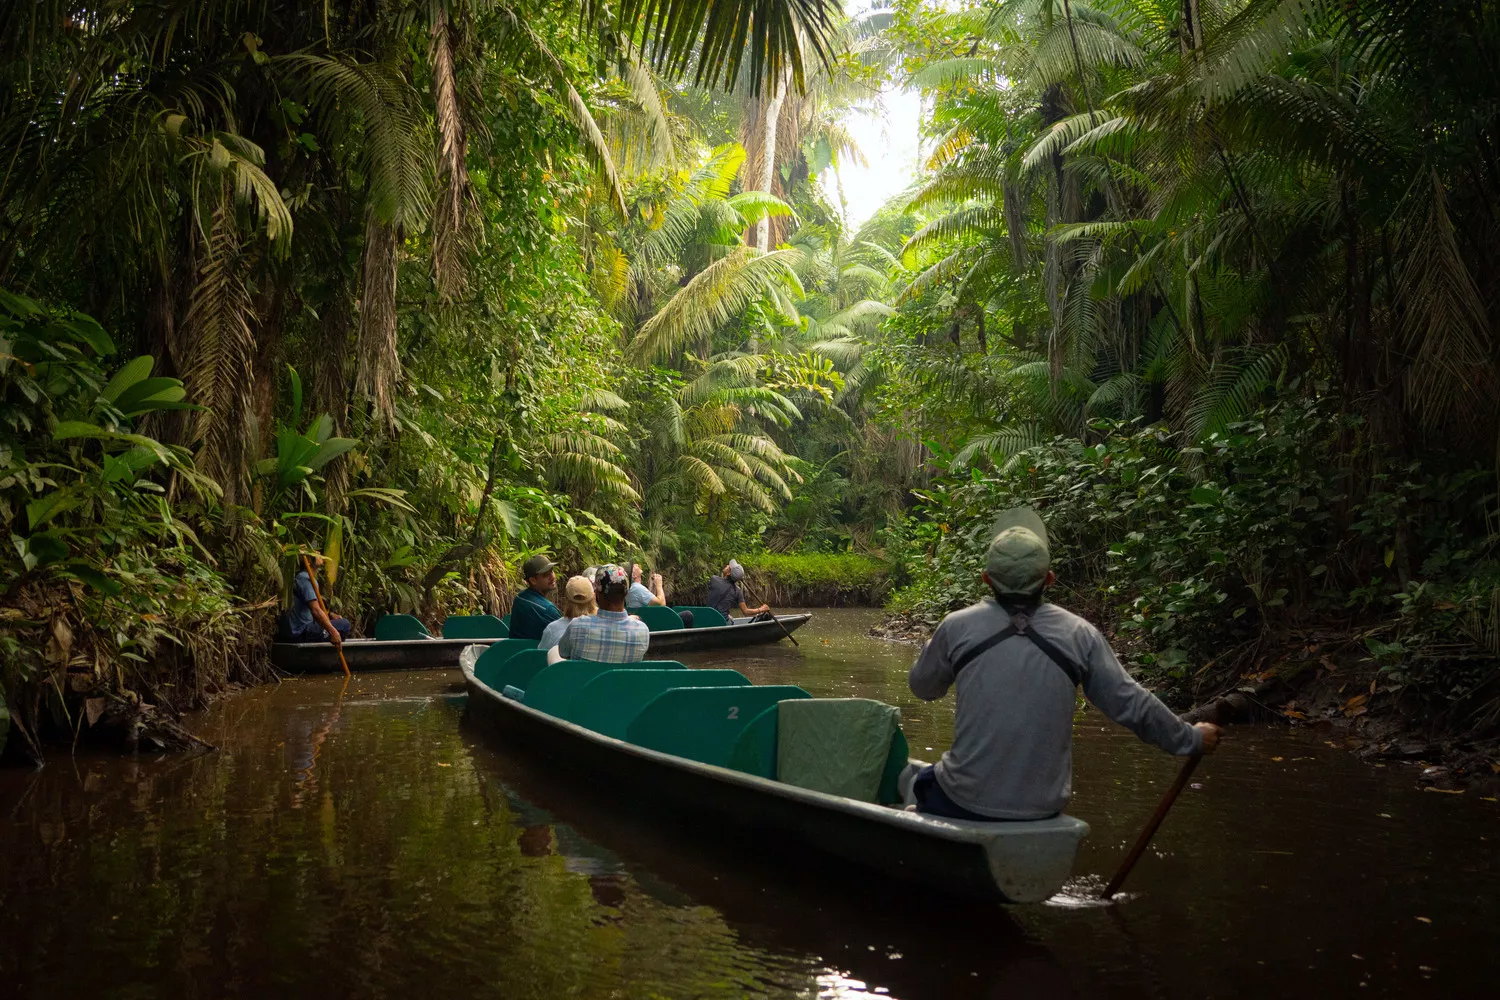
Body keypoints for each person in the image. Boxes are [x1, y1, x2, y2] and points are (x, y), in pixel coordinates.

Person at [908, 507, 1223, 821]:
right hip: (1042, 809)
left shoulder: (956, 626)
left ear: (986, 579)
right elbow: (1131, 702)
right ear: (1049, 579)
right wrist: (1190, 738)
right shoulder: (1080, 634)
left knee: (918, 783)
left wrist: (938, 649)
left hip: (964, 799)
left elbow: (922, 688)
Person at [558, 564, 650, 663]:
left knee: (553, 652)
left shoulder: (577, 626)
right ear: (626, 593)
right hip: (624, 679)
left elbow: (563, 653)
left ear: (597, 593)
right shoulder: (642, 630)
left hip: (584, 678)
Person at [278, 555, 351, 645]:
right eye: (316, 554)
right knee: (344, 625)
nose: (320, 555)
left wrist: (329, 615)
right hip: (299, 632)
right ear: (308, 561)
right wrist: (333, 631)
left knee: (336, 622)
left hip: (294, 630)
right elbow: (315, 610)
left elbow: (309, 609)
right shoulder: (305, 579)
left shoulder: (300, 576)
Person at [539, 575, 597, 664]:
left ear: (566, 599)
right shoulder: (603, 628)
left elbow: (540, 659)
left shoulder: (552, 629)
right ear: (594, 597)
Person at [509, 554, 561, 640]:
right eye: (546, 575)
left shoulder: (519, 598)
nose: (552, 577)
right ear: (533, 580)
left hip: (517, 651)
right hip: (538, 653)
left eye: (552, 571)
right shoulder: (547, 609)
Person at [625, 562, 693, 627]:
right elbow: (661, 605)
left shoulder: (631, 588)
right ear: (634, 575)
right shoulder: (637, 588)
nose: (637, 564)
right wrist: (659, 585)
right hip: (653, 622)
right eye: (634, 566)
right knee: (687, 615)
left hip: (648, 619)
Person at [704, 559, 769, 619]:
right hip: (721, 621)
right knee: (730, 617)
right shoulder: (737, 591)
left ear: (729, 573)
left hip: (707, 617)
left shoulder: (714, 579)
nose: (727, 565)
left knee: (729, 616)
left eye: (729, 566)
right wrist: (761, 609)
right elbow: (746, 611)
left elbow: (721, 586)